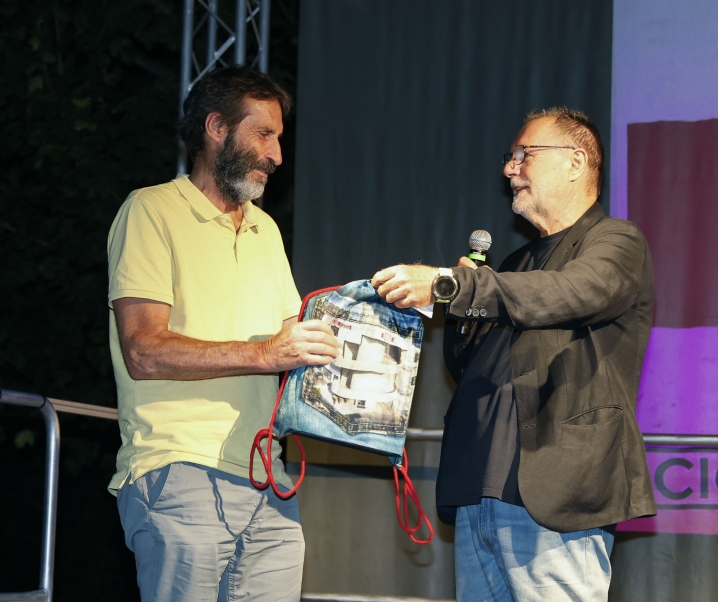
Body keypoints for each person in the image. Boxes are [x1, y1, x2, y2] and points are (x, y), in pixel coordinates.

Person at [371, 107, 656, 601]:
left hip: (553, 491)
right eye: (510, 156)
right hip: (479, 488)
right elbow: (467, 366)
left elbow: (573, 293)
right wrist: (462, 315)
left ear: (575, 162)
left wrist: (451, 285)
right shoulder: (516, 262)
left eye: (525, 154)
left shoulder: (615, 241)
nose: (510, 168)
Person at [107, 65, 339, 602]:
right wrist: (267, 353)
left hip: (268, 477)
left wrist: (370, 331)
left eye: (279, 139)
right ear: (216, 127)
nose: (277, 155)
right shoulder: (151, 210)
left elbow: (292, 343)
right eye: (264, 134)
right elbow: (143, 350)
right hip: (179, 466)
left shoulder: (265, 229)